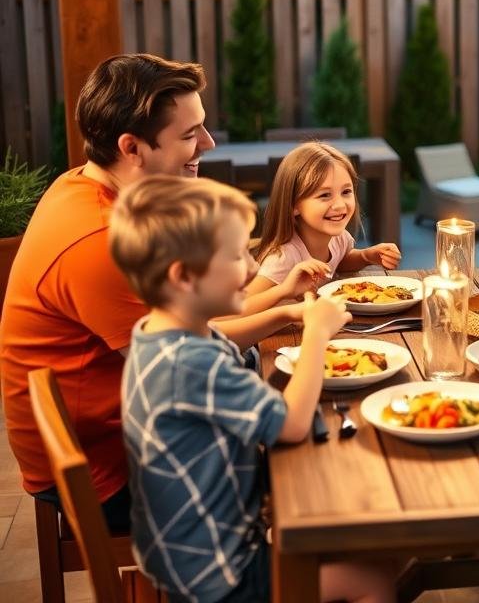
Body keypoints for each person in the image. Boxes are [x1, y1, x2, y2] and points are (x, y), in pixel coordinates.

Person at [0, 53, 303, 532]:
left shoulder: (90, 186)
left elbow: (193, 325)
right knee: (307, 473)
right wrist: (287, 315)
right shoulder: (102, 239)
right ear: (132, 147)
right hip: (106, 469)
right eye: (189, 135)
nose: (207, 143)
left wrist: (285, 306)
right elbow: (195, 355)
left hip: (114, 425)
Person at [110, 175, 395, 603]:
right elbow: (293, 425)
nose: (251, 267)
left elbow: (231, 340)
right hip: (219, 574)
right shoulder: (193, 366)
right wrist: (316, 334)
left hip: (185, 548)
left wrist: (291, 312)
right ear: (184, 276)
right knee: (371, 580)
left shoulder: (162, 335)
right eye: (237, 255)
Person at [243, 142, 402, 312]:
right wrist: (282, 292)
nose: (340, 205)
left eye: (346, 192)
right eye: (325, 195)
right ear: (294, 205)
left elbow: (339, 261)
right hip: (285, 337)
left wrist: (366, 256)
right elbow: (236, 309)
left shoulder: (338, 238)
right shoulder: (284, 258)